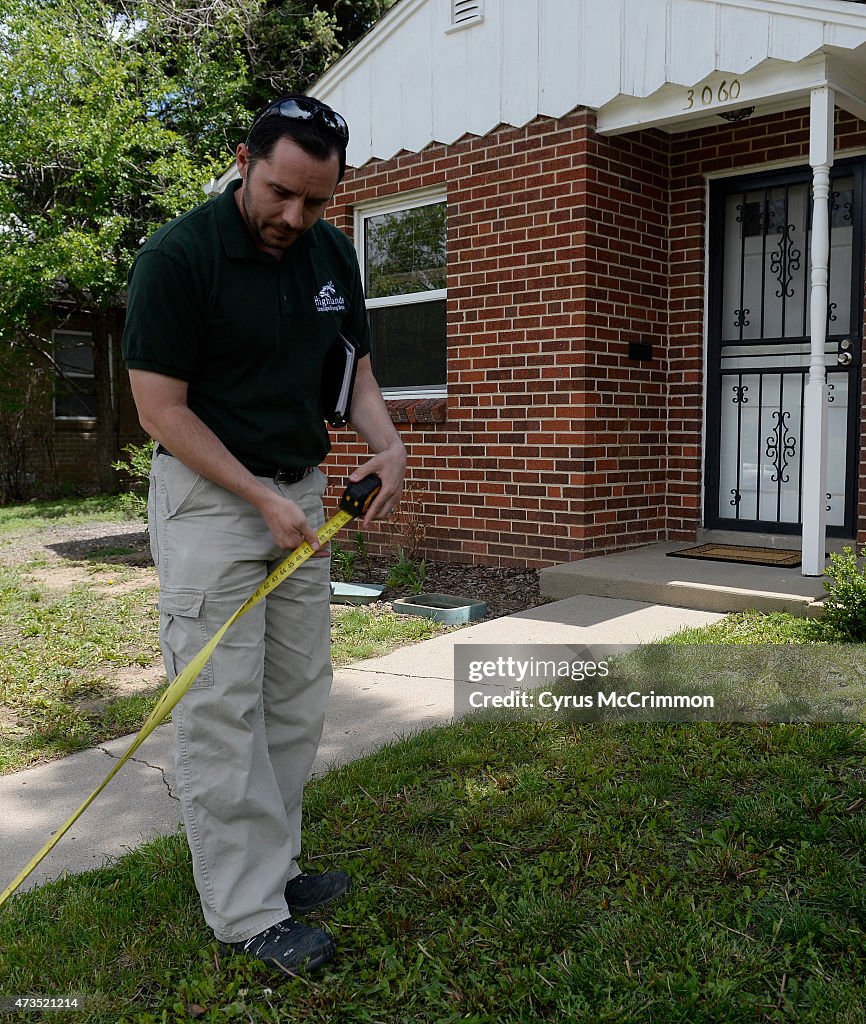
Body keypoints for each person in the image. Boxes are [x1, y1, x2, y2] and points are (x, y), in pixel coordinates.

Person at [121, 95, 406, 977]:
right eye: (281, 192)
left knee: (294, 696)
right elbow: (159, 410)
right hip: (212, 500)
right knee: (219, 709)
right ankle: (244, 911)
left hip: (301, 494)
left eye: (316, 202)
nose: (295, 217)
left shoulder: (329, 251)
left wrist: (389, 441)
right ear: (244, 159)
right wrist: (256, 495)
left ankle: (272, 871)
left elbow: (351, 365)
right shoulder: (178, 256)